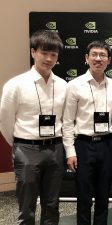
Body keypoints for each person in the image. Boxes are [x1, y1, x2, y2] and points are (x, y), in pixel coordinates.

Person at [0, 30, 66, 225]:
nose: (48, 59)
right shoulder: (16, 85)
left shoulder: (62, 85)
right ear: (33, 52)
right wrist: (21, 144)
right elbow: (5, 121)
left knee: (52, 204)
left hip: (55, 149)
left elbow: (64, 119)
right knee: (27, 205)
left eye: (53, 54)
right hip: (26, 150)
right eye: (44, 53)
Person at [62, 41, 112, 225]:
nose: (98, 58)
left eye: (102, 55)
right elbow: (67, 121)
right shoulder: (75, 85)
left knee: (104, 195)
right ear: (86, 58)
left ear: (109, 60)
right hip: (83, 145)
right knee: (84, 196)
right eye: (94, 54)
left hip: (107, 144)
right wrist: (70, 151)